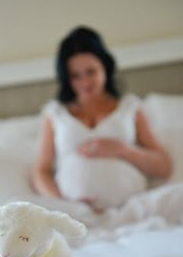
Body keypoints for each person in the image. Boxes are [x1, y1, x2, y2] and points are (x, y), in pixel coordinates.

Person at [32, 26, 172, 212]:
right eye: (75, 76)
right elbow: (41, 171)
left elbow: (163, 166)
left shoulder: (129, 108)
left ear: (105, 66)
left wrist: (122, 150)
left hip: (132, 212)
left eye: (91, 72)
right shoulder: (55, 114)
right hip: (76, 216)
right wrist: (64, 206)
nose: (85, 82)